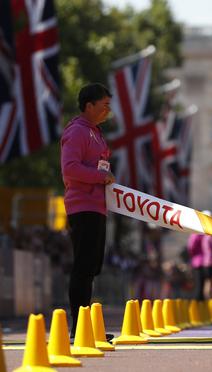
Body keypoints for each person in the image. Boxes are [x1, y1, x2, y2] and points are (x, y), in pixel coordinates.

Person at [60, 83, 115, 338]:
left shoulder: (96, 133)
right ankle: (78, 328)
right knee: (83, 266)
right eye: (104, 105)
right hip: (82, 205)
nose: (108, 110)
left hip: (97, 206)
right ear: (89, 105)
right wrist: (99, 177)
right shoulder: (77, 132)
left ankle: (86, 327)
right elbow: (70, 168)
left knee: (92, 267)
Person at [186, 232, 205, 301]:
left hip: (198, 263)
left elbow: (191, 247)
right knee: (203, 286)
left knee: (198, 286)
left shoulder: (196, 234)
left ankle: (198, 303)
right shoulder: (206, 234)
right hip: (206, 263)